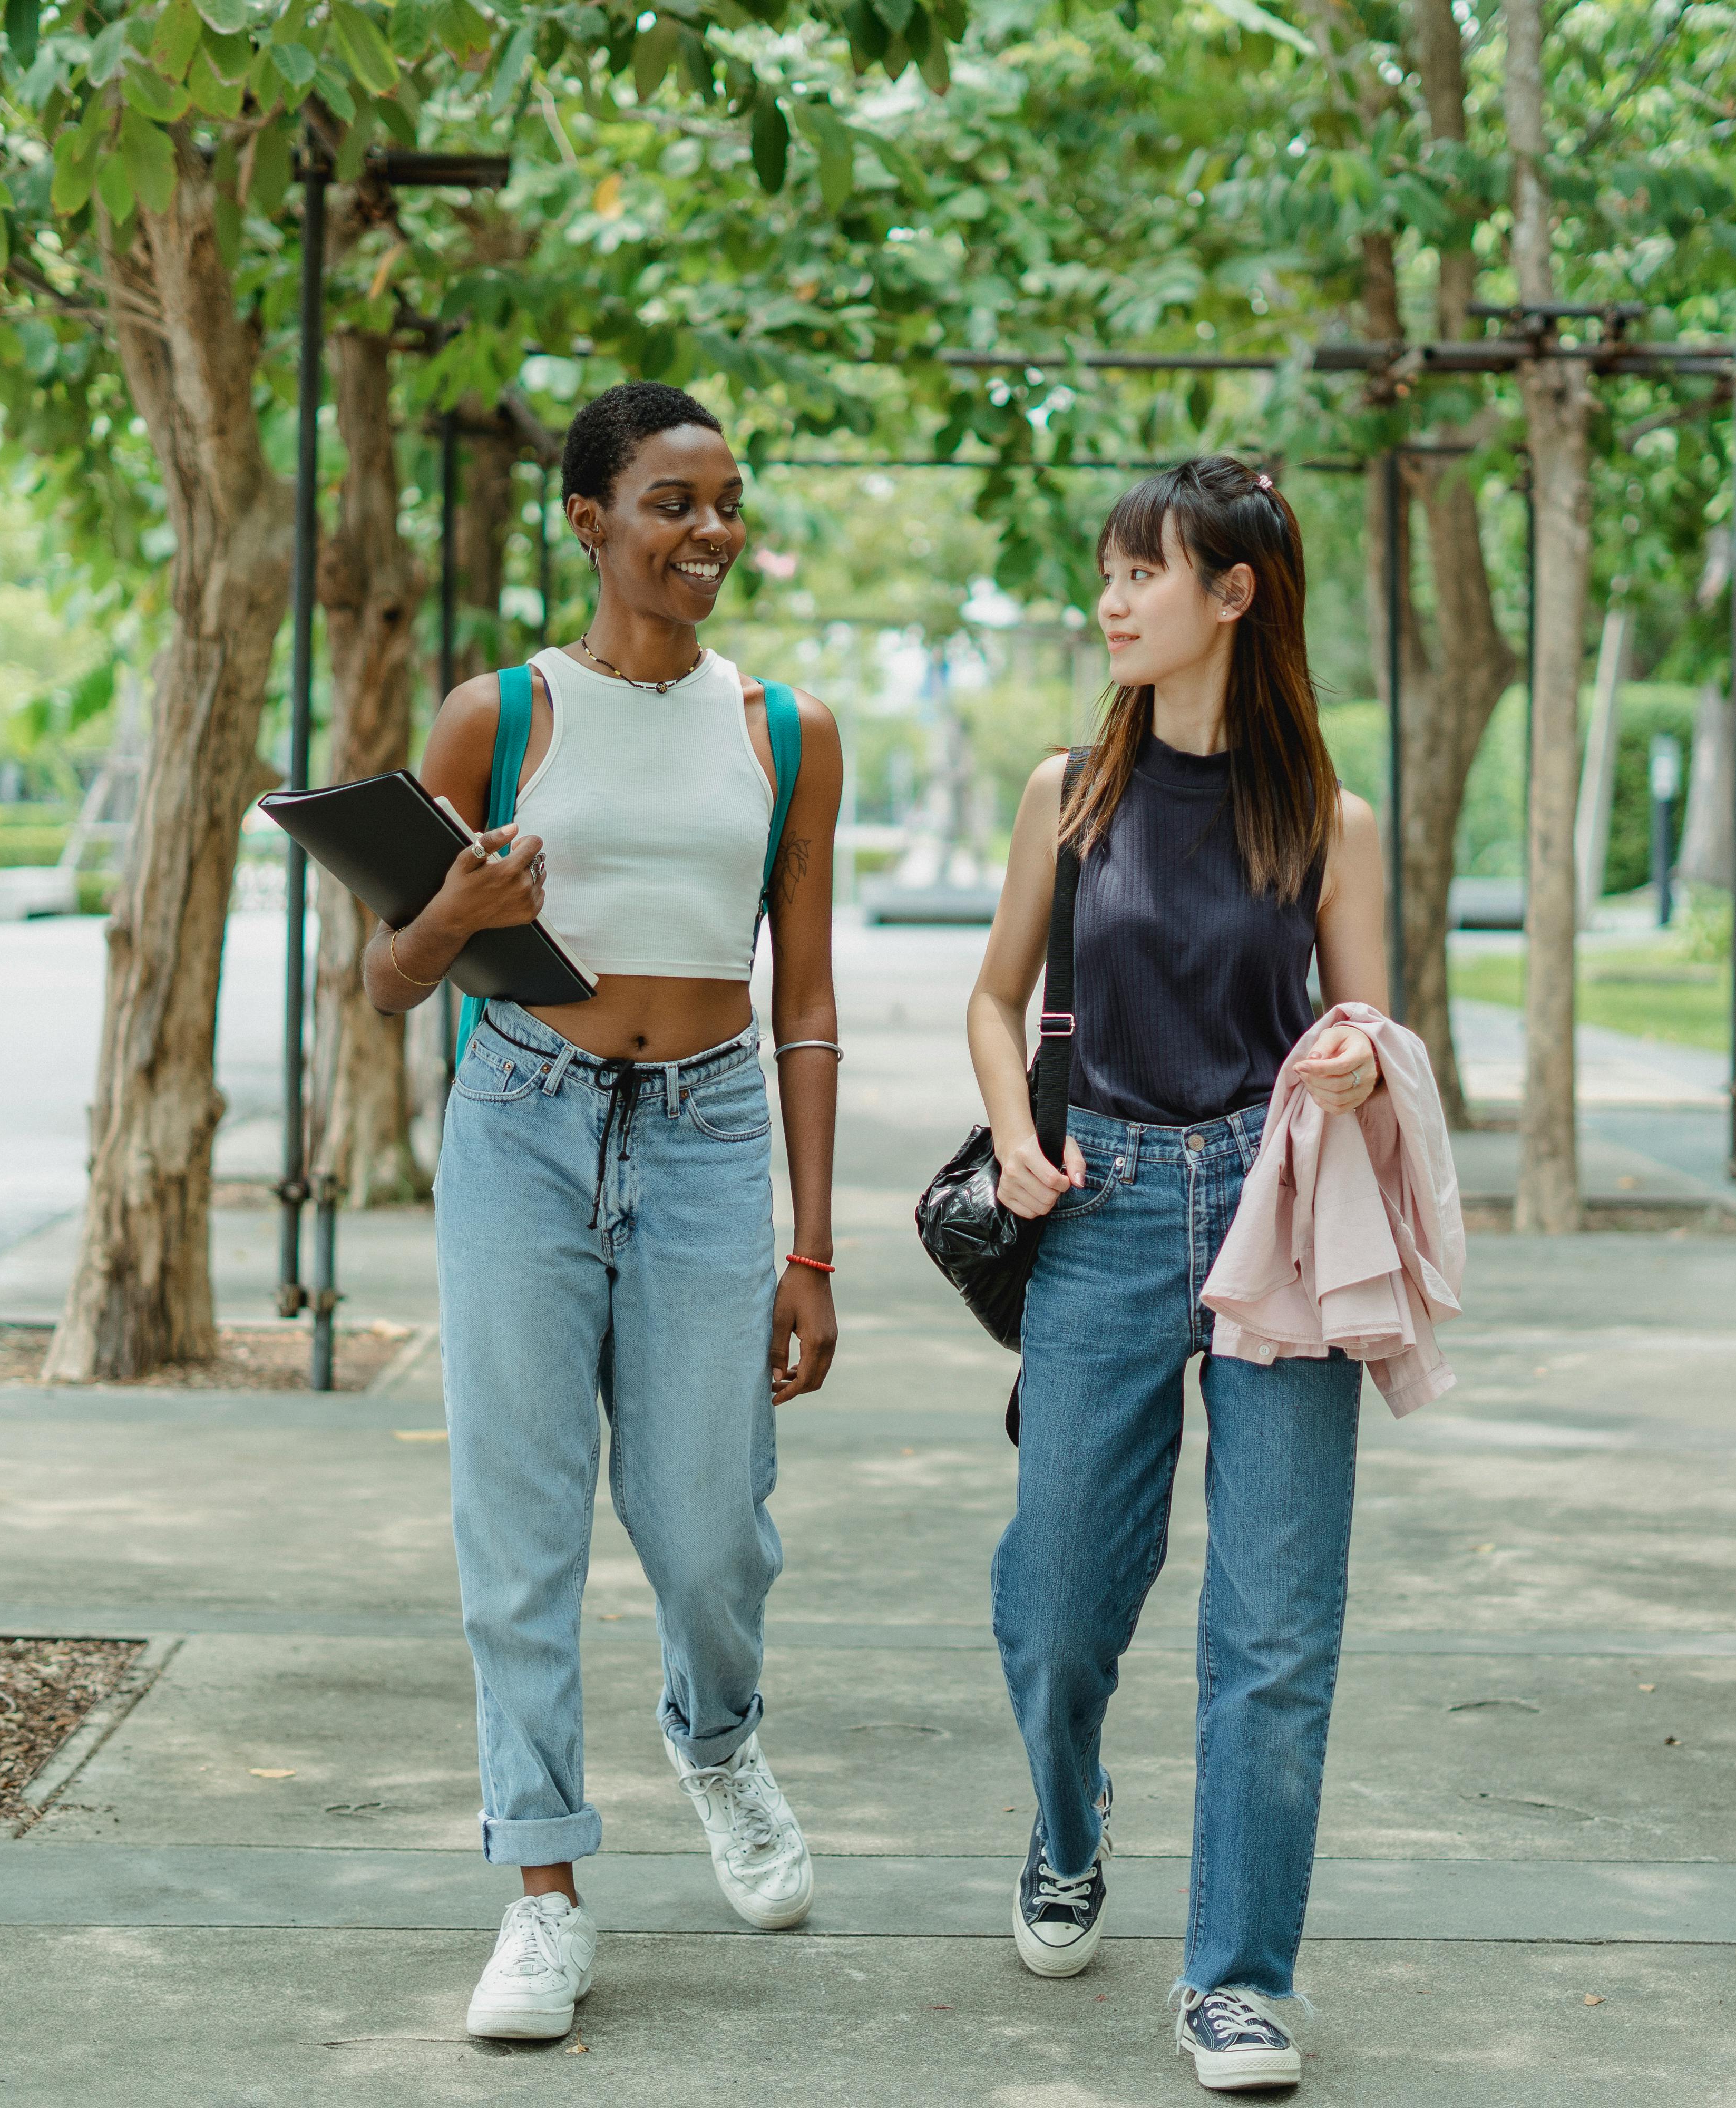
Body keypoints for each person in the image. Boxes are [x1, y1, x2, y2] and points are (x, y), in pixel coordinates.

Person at [366, 380, 845, 2043]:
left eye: (725, 502)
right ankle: (542, 1890)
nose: (710, 531)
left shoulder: (785, 731)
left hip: (713, 1137)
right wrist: (460, 912)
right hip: (523, 1121)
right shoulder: (494, 717)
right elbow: (385, 981)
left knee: (712, 1527)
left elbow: (804, 995)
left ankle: (716, 1740)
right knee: (521, 1529)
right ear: (589, 519)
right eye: (671, 502)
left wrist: (814, 1241)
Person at [963, 456, 1387, 2094]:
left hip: (1278, 1212)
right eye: (1108, 570)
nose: (1114, 597)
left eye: (1149, 570)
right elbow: (999, 1002)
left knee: (1275, 1626)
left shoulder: (1327, 822)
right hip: (1105, 1205)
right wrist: (1013, 1138)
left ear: (1236, 595)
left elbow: (1368, 1024)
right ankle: (1069, 1826)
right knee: (1061, 1599)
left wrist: (1350, 1061)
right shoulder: (1069, 790)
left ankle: (1238, 1982)